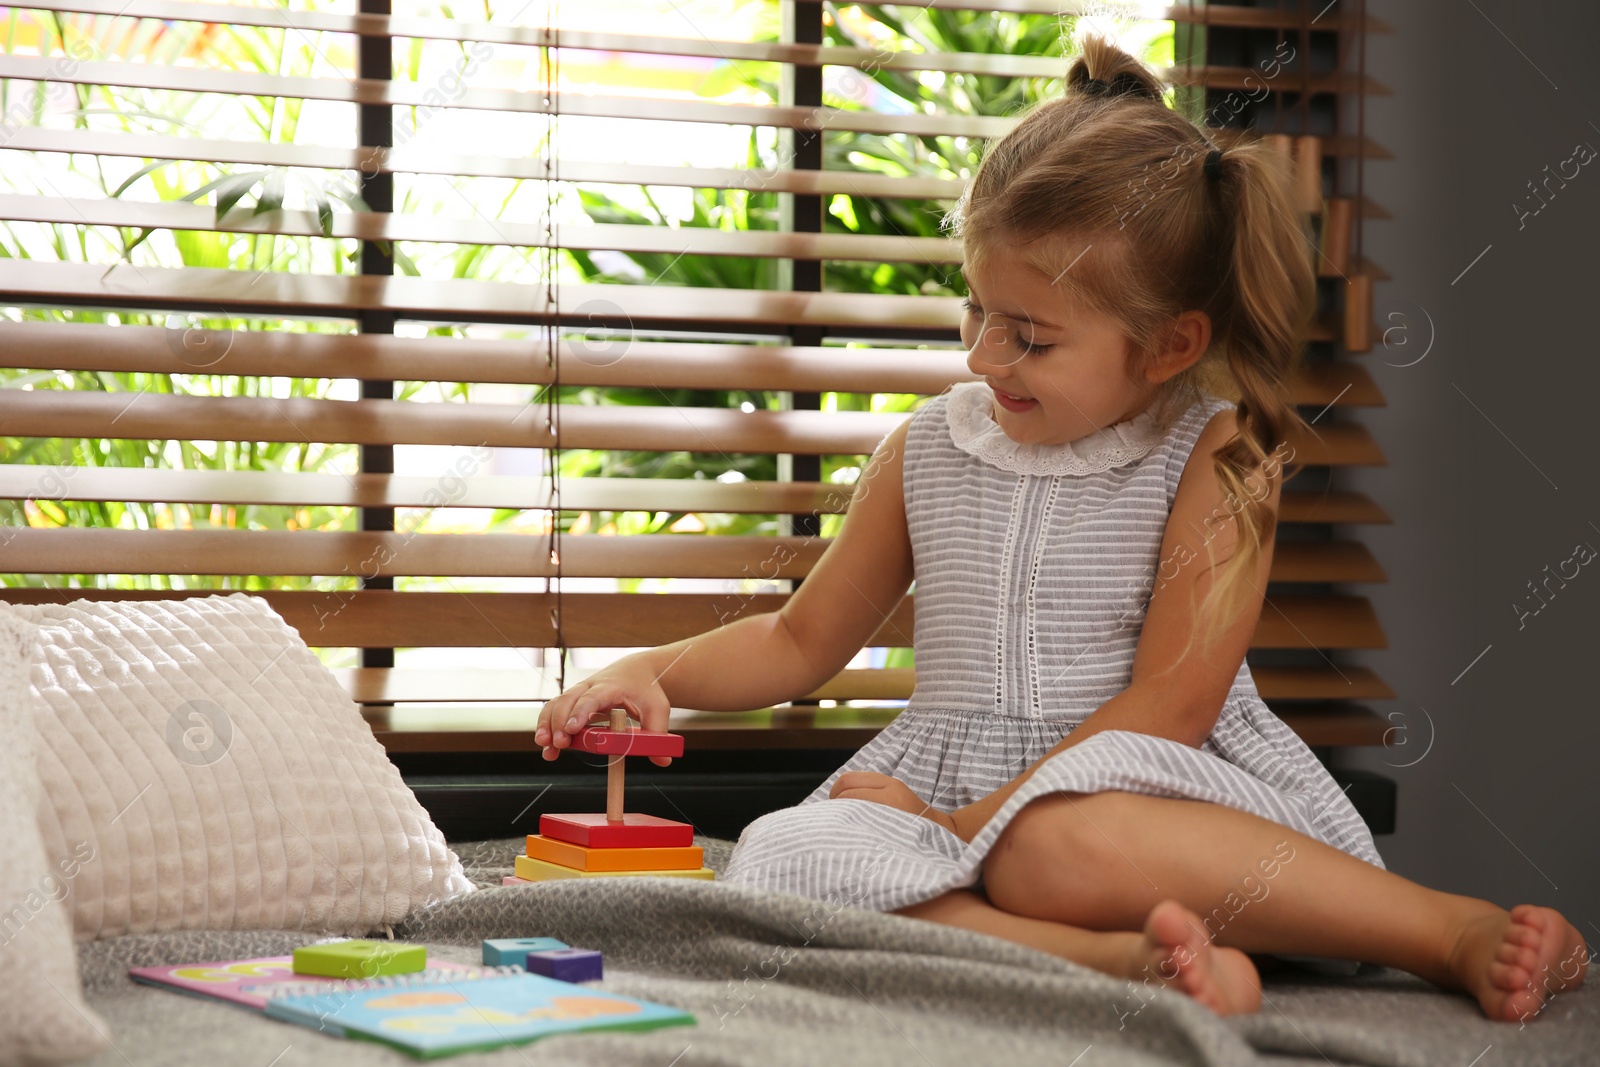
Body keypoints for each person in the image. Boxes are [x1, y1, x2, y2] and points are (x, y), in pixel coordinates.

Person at [533, 35, 1588, 1022]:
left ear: (1170, 345)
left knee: (1052, 844)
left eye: (1030, 338)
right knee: (786, 852)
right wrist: (654, 669)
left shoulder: (1218, 462)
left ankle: (1441, 926)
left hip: (1140, 793)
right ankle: (1128, 965)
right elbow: (798, 640)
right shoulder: (928, 450)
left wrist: (970, 826)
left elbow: (1166, 712)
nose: (984, 359)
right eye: (973, 313)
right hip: (946, 796)